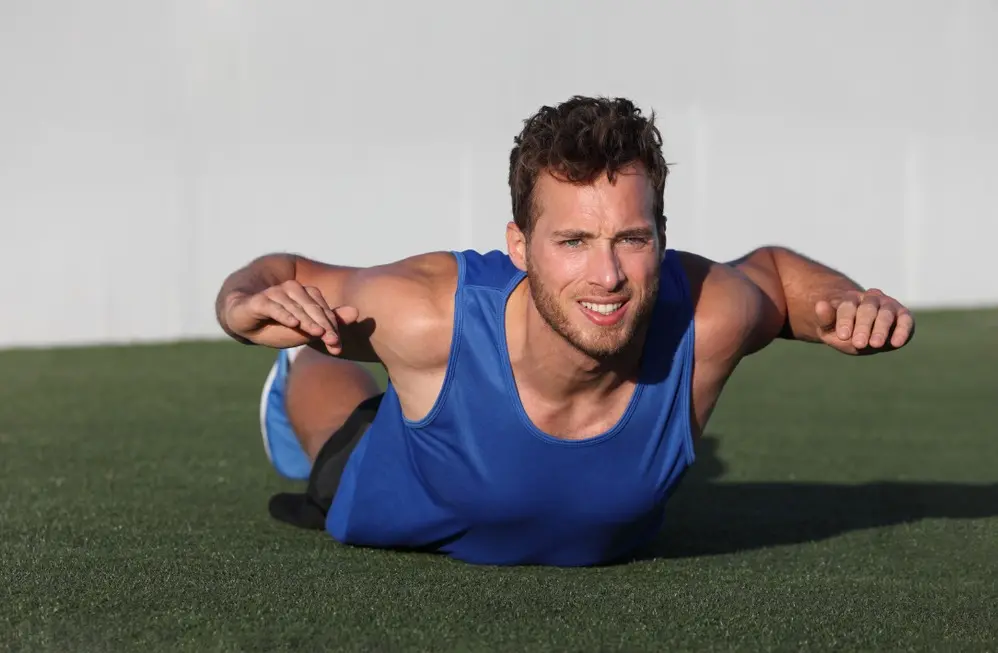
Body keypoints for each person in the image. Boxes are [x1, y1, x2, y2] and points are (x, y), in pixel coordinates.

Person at [215, 95, 915, 567]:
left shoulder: (708, 316)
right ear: (519, 246)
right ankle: (295, 379)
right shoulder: (428, 313)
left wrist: (843, 300)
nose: (607, 275)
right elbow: (285, 271)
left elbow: (774, 275)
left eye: (632, 239)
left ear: (662, 237)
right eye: (574, 240)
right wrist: (241, 308)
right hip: (403, 490)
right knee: (333, 399)